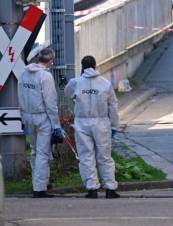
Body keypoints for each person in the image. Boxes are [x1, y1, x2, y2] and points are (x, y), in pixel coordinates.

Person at [64, 55, 120, 199]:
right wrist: (114, 125)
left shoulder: (75, 82)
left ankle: (92, 188)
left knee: (86, 156)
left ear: (82, 66)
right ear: (95, 65)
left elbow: (67, 93)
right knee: (104, 156)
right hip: (101, 122)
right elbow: (113, 105)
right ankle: (110, 188)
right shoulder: (105, 83)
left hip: (82, 122)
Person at [17, 47, 63, 198]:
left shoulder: (24, 74)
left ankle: (39, 182)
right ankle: (40, 188)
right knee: (43, 153)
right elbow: (50, 102)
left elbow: (20, 97)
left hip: (28, 118)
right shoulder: (45, 76)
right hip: (42, 118)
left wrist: (22, 120)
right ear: (50, 61)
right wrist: (56, 126)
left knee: (35, 151)